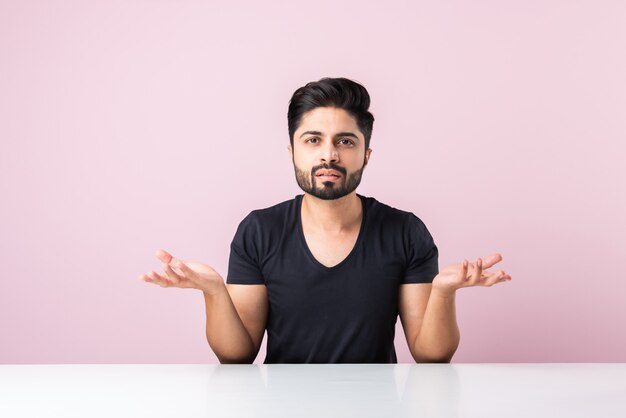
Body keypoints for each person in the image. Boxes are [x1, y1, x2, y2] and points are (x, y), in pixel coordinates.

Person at [139, 77, 512, 364]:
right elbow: (237, 355)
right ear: (292, 151)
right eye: (313, 140)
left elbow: (432, 356)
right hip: (280, 406)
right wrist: (214, 291)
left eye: (345, 142)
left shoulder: (405, 231)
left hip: (380, 406)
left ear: (366, 155)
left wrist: (443, 293)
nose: (329, 155)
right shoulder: (259, 231)